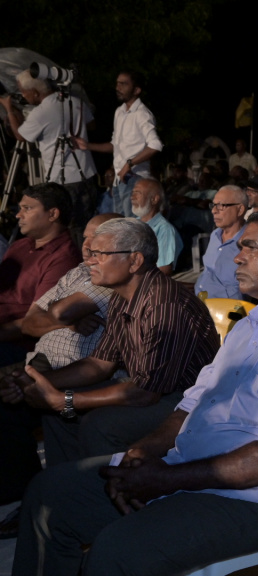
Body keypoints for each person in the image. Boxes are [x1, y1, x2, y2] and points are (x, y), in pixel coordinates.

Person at [11, 206, 258, 575]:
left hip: (251, 499)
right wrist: (143, 452)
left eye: (250, 247)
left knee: (115, 551)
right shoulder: (249, 327)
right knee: (49, 494)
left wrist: (164, 479)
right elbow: (191, 403)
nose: (237, 257)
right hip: (187, 468)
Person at [0, 213, 119, 533]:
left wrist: (59, 317)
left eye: (99, 238)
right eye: (86, 236)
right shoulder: (77, 272)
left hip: (74, 367)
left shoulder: (108, 277)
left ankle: (37, 498)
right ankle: (32, 494)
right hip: (40, 359)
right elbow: (30, 323)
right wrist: (67, 321)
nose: (88, 245)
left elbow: (57, 313)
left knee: (17, 403)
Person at [1, 71, 98, 244]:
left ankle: (74, 257)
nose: (23, 96)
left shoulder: (41, 113)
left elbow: (20, 136)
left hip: (63, 180)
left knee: (69, 228)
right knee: (87, 224)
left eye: (24, 92)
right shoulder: (75, 101)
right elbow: (91, 125)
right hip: (86, 174)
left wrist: (9, 109)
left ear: (35, 92)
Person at [0, 184, 80, 367]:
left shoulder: (63, 259)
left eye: (27, 208)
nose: (18, 215)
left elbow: (34, 322)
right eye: (20, 208)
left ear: (52, 214)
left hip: (18, 345)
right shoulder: (19, 246)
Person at [73, 71, 163, 218]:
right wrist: (87, 146)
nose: (118, 87)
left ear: (136, 90)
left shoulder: (142, 114)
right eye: (117, 83)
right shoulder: (119, 112)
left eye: (124, 84)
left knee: (131, 226)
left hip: (135, 178)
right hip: (119, 179)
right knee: (121, 225)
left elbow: (155, 145)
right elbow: (115, 145)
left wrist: (129, 164)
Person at [195, 185, 248, 299]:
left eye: (221, 205)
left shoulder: (249, 242)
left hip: (226, 307)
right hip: (199, 299)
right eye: (213, 205)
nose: (214, 211)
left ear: (240, 210)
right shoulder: (215, 235)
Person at [130, 178, 182, 275]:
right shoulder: (132, 224)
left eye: (138, 193)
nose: (132, 197)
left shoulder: (165, 229)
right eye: (133, 193)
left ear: (154, 199)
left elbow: (164, 270)